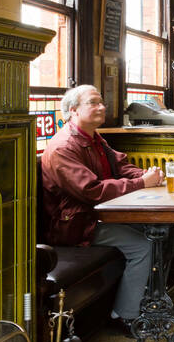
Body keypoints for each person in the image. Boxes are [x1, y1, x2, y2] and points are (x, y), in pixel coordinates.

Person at [41, 86, 165, 329]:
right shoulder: (62, 147)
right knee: (143, 246)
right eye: (93, 103)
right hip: (75, 225)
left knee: (160, 227)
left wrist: (147, 175)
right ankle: (125, 317)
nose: (102, 107)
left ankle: (153, 298)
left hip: (96, 216)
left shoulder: (92, 137)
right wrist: (141, 183)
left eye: (102, 102)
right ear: (73, 111)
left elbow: (119, 165)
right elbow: (92, 191)